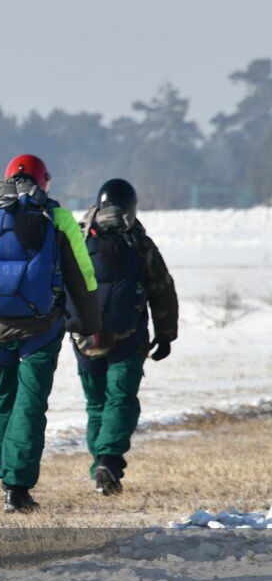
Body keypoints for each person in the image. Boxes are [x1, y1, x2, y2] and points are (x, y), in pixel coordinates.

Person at [0, 154, 99, 513]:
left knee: (2, 403)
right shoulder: (56, 217)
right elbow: (83, 277)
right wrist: (88, 326)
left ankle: (7, 477)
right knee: (29, 407)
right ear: (43, 182)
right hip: (41, 329)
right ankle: (16, 487)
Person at [68, 178, 178, 495]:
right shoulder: (138, 241)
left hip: (84, 340)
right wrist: (166, 334)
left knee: (96, 403)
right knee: (121, 399)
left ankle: (100, 464)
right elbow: (162, 289)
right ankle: (108, 460)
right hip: (128, 338)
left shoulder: (78, 235)